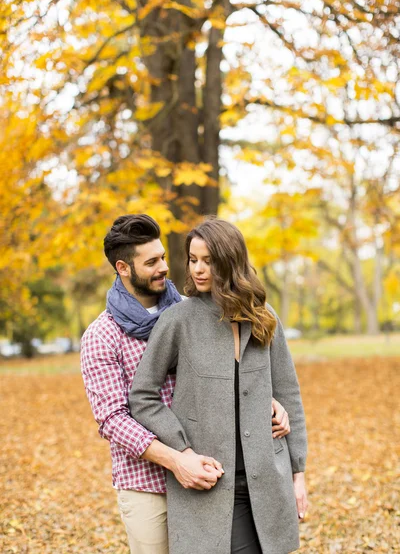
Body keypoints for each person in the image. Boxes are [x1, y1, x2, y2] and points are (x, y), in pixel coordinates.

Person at [80, 214, 291, 554]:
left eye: (163, 257)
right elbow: (112, 419)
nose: (165, 267)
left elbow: (232, 376)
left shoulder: (194, 311)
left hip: (207, 477)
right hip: (148, 480)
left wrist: (267, 401)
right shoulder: (103, 335)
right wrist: (178, 459)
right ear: (123, 268)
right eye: (151, 262)